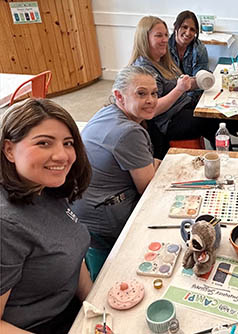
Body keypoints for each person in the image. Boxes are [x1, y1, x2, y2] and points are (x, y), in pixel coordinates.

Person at [0, 98, 93, 333]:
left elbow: (72, 252)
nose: (62, 156)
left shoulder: (44, 187)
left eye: (68, 143)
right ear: (9, 150)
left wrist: (95, 303)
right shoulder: (6, 225)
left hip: (71, 309)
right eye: (44, 143)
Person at [70, 66, 162, 280]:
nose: (151, 100)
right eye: (141, 93)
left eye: (154, 93)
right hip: (104, 220)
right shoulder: (129, 132)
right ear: (119, 96)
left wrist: (152, 164)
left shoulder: (107, 112)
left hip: (79, 213)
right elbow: (147, 185)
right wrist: (155, 165)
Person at [130, 15, 218, 159]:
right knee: (213, 120)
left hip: (182, 108)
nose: (165, 40)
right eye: (159, 36)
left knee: (215, 110)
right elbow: (153, 109)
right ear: (144, 38)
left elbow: (180, 84)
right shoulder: (144, 69)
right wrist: (180, 89)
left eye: (165, 34)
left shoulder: (162, 60)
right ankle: (223, 155)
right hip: (168, 122)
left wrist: (197, 82)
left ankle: (224, 153)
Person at [169, 10, 209, 102]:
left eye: (192, 29)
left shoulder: (200, 49)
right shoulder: (164, 47)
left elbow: (199, 81)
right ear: (176, 26)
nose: (188, 33)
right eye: (184, 27)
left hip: (190, 99)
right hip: (169, 97)